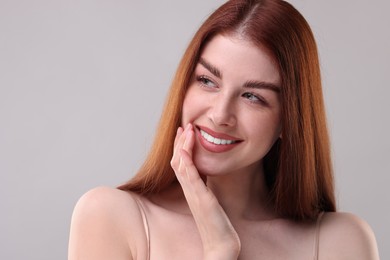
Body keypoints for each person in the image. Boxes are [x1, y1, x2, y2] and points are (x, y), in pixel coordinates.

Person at [68, 0, 380, 259]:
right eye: (207, 81)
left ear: (290, 120)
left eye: (253, 97)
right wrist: (220, 249)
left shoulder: (340, 243)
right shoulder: (111, 217)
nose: (220, 115)